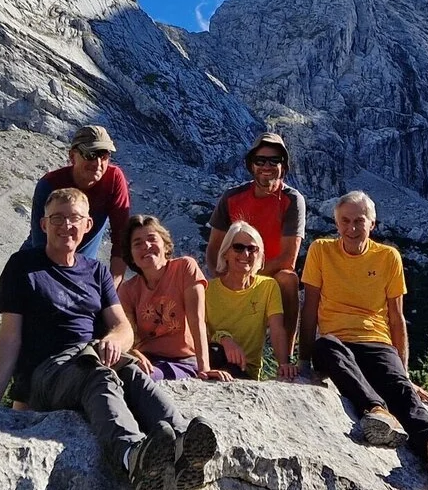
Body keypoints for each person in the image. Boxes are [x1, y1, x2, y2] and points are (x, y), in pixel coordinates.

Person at [0, 188, 216, 490]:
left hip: (88, 355)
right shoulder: (23, 266)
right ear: (43, 225)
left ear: (88, 225)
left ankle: (184, 443)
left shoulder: (96, 272)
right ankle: (132, 455)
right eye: (57, 218)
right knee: (98, 375)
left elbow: (122, 327)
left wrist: (115, 342)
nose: (66, 225)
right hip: (46, 371)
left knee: (131, 371)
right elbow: (9, 337)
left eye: (75, 218)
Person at [300, 191, 428, 486]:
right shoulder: (321, 250)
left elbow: (396, 318)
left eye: (359, 221)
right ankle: (376, 410)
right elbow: (309, 307)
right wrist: (302, 362)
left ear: (372, 223)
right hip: (336, 342)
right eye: (345, 221)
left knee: (400, 389)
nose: (351, 228)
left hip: (376, 341)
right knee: (326, 347)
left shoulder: (388, 257)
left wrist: (405, 373)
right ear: (336, 223)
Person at [205, 133, 306, 355]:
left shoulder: (292, 199)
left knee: (289, 279)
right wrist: (221, 276)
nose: (266, 166)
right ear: (251, 165)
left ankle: (285, 360)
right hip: (234, 272)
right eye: (260, 160)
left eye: (274, 161)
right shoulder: (231, 197)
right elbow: (213, 247)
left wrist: (249, 277)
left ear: (283, 166)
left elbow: (288, 258)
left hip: (269, 276)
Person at [117, 214, 218, 381]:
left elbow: (197, 320)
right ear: (131, 255)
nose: (146, 246)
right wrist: (133, 354)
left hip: (183, 361)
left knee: (139, 378)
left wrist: (204, 369)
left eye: (152, 239)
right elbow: (127, 334)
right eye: (137, 243)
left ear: (165, 246)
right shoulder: (128, 290)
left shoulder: (185, 268)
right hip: (147, 361)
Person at [22, 125, 133, 275]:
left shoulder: (113, 180)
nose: (97, 163)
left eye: (104, 155)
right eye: (90, 155)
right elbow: (42, 244)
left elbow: (121, 239)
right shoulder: (49, 185)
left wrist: (113, 285)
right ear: (72, 156)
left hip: (81, 271)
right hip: (37, 265)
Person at [202, 221, 294, 381]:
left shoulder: (267, 287)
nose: (245, 254)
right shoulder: (207, 290)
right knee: (215, 351)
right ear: (225, 253)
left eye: (252, 249)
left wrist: (284, 364)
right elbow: (199, 334)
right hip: (214, 362)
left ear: (259, 255)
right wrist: (224, 340)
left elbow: (277, 329)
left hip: (246, 371)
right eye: (238, 247)